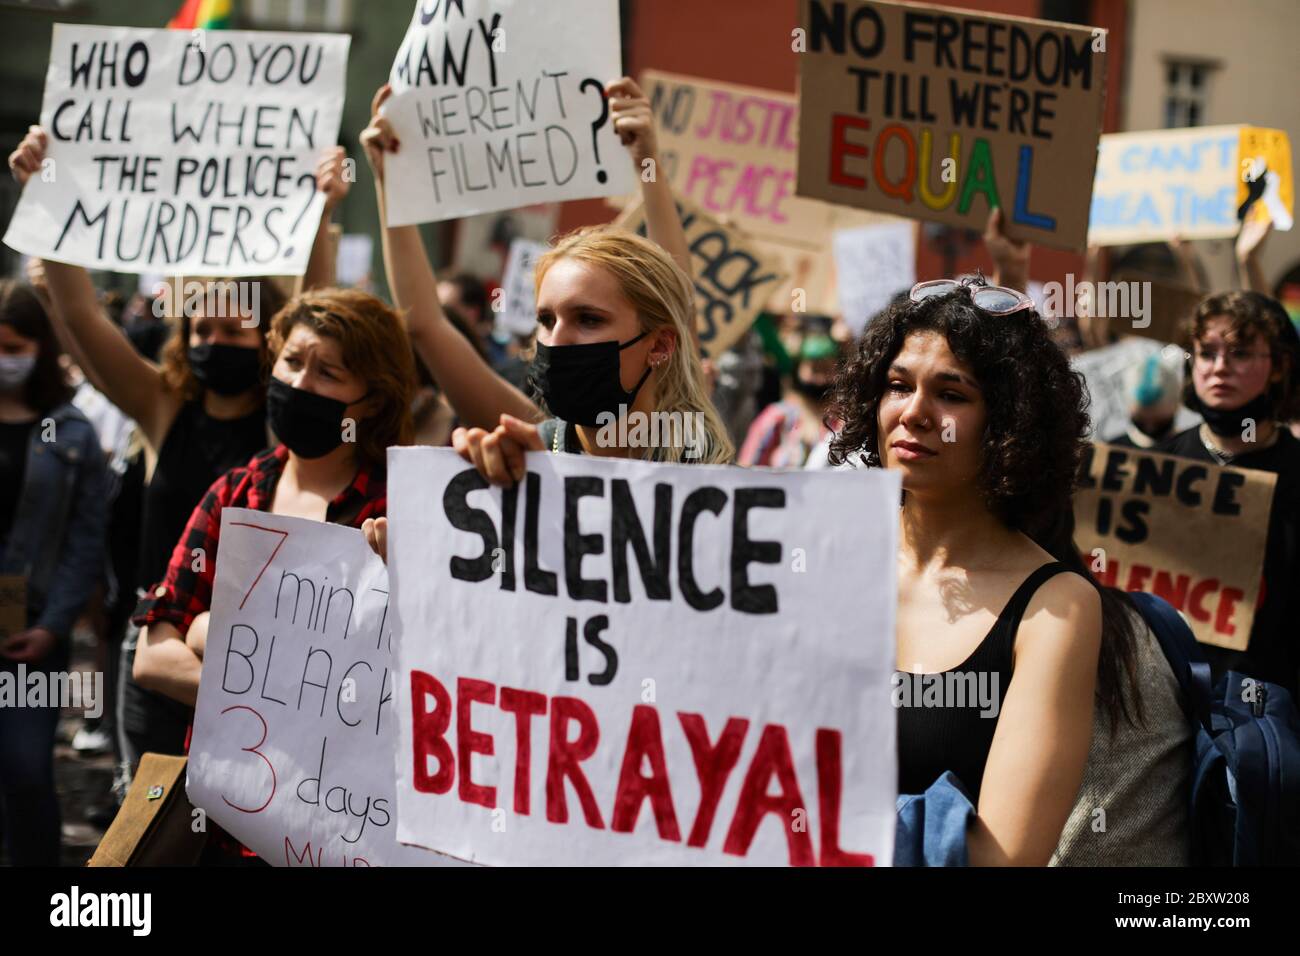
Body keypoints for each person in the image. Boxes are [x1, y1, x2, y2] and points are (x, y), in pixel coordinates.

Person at [8, 126, 350, 787]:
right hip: (156, 649)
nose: (212, 340)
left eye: (232, 329)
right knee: (150, 823)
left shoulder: (289, 422)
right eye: (201, 327)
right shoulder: (162, 406)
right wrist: (43, 191)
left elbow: (317, 311)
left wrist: (323, 212)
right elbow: (79, 312)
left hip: (264, 653)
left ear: (270, 339)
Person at [828, 276, 1102, 866]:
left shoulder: (1056, 608)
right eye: (898, 386)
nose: (915, 413)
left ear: (1010, 421)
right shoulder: (817, 553)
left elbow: (1001, 857)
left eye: (951, 394)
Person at [0, 281, 108, 865]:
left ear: (39, 346)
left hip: (32, 628)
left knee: (24, 771)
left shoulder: (69, 431)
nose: (4, 359)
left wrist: (55, 625)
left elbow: (85, 539)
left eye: (13, 345)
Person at [1158, 290, 1300, 695]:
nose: (1220, 367)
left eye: (1240, 353)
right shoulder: (1150, 467)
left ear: (1278, 366)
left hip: (1269, 722)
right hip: (1164, 705)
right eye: (1206, 352)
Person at [739, 329, 840, 468]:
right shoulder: (776, 418)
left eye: (827, 369)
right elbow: (746, 467)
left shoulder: (846, 422)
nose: (821, 379)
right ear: (798, 369)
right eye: (815, 369)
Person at [1108, 351, 1183, 448]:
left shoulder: (1195, 448)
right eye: (1140, 420)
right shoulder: (1109, 453)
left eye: (1159, 421)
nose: (1150, 428)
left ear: (1177, 405)